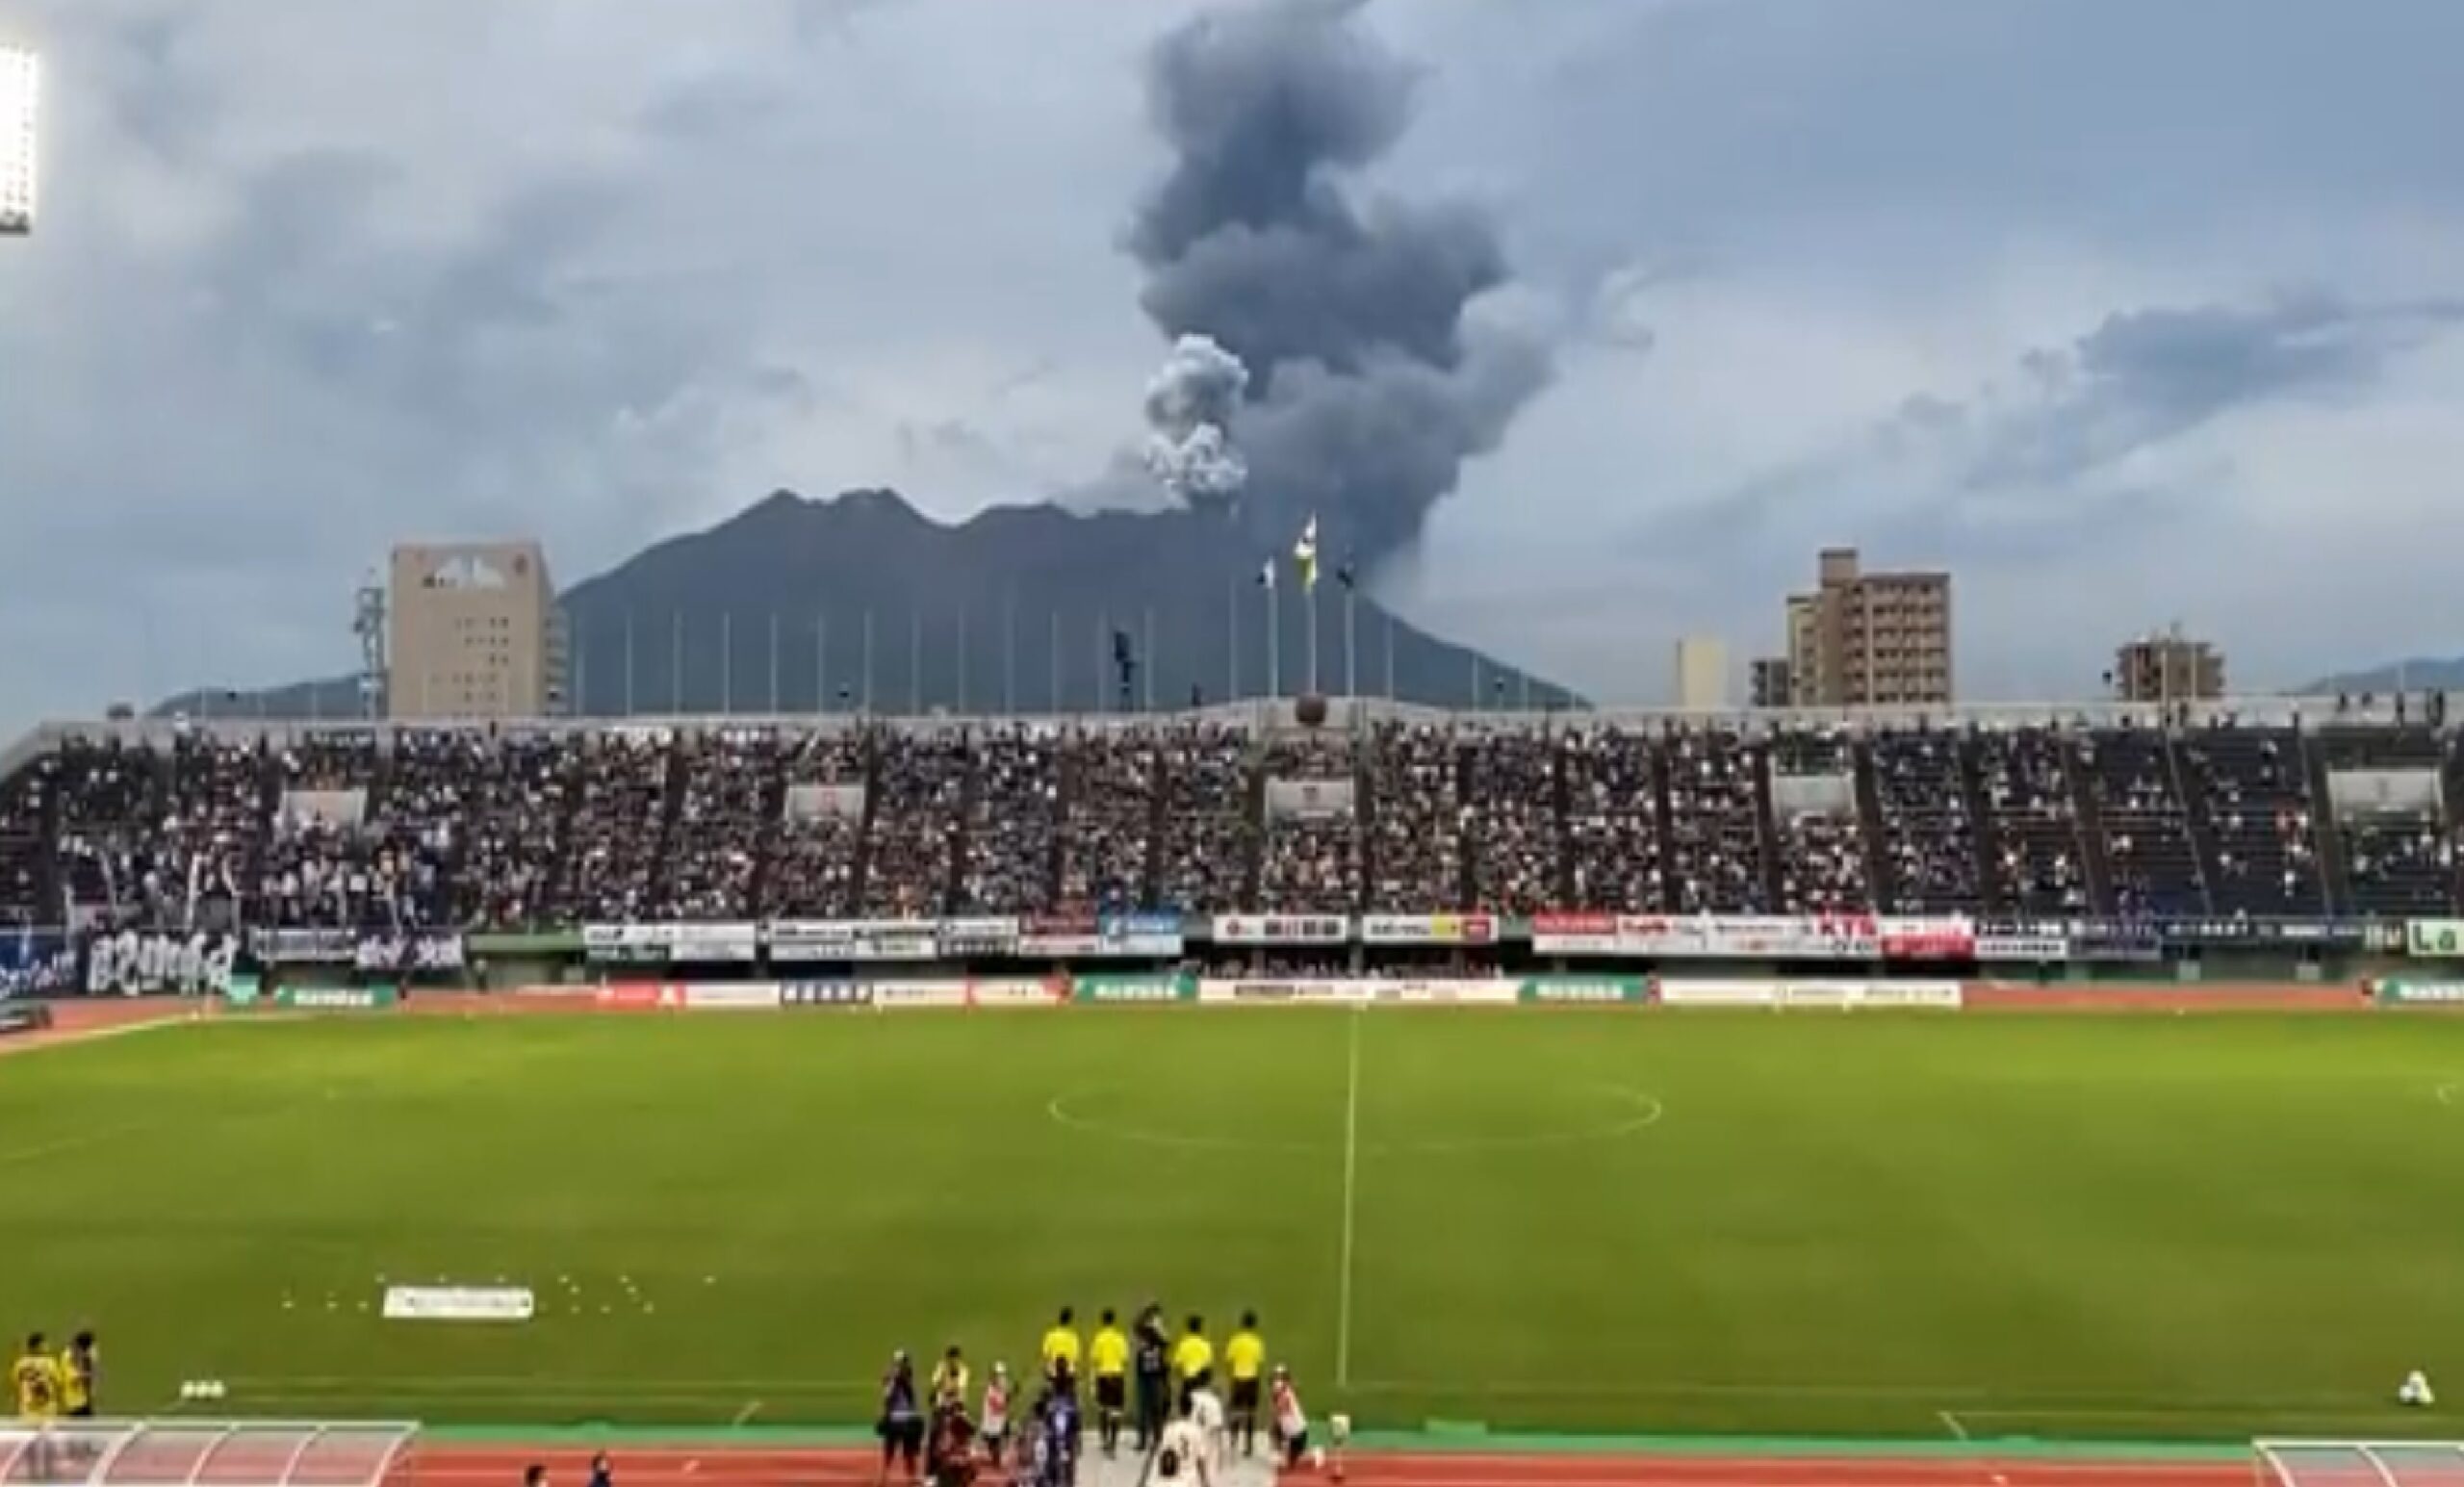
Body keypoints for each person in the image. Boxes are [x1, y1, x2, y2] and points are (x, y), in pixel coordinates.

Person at [1087, 1309, 1130, 1457]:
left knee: (1103, 1410)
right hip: (1117, 1376)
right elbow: (1125, 1359)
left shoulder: (1099, 1338)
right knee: (1116, 1412)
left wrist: (1092, 1381)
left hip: (1103, 1376)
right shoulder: (1120, 1338)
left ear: (1102, 1321)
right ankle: (1113, 1443)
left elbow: (1094, 1360)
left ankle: (1104, 1440)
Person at [879, 1351, 926, 1486]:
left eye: (904, 1362)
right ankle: (884, 1476)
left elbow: (912, 1399)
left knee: (908, 1450)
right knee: (890, 1449)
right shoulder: (892, 1378)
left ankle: (911, 1476)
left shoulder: (906, 1377)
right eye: (901, 1362)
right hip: (896, 1418)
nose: (903, 1365)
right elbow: (887, 1397)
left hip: (906, 1418)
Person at [1223, 1313, 1266, 1457]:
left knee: (1236, 1410)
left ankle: (1233, 1442)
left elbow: (1229, 1359)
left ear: (1242, 1323)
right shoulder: (1256, 1342)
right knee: (1250, 1412)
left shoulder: (1235, 1341)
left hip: (1238, 1378)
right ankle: (1248, 1445)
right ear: (1254, 1325)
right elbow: (1259, 1361)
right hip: (1252, 1379)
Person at [1132, 1304, 1171, 1452]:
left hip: (1154, 1376)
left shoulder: (1157, 1337)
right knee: (1147, 1409)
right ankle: (1146, 1439)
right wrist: (1147, 1316)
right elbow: (1136, 1325)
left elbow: (1166, 1341)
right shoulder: (1145, 1332)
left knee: (1154, 1408)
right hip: (1149, 1376)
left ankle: (1154, 1439)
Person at [1270, 1367, 1322, 1474]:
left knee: (1291, 1463)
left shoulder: (1286, 1396)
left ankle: (1316, 1452)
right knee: (1274, 1431)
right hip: (1289, 1432)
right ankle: (1281, 1455)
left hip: (1298, 1434)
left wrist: (1275, 1411)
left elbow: (1281, 1408)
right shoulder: (1284, 1392)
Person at [1157, 1396, 1214, 1487]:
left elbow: (1164, 1456)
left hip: (1173, 1479)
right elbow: (1200, 1460)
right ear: (1191, 1410)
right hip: (1191, 1480)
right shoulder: (1197, 1431)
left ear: (1178, 1409)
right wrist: (1205, 1482)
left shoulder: (1170, 1429)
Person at [13, 1333, 61, 1421]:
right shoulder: (50, 1363)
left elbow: (16, 1382)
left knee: (28, 1432)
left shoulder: (21, 1363)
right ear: (38, 1346)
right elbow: (57, 1382)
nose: (47, 1346)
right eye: (44, 1344)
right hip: (47, 1407)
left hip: (28, 1407)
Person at [1170, 1316, 1213, 1414]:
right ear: (1200, 1328)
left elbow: (1177, 1364)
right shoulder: (1205, 1344)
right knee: (1201, 1409)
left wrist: (1180, 1378)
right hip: (1201, 1381)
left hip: (1188, 1380)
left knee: (1186, 1409)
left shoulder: (1184, 1344)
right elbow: (1208, 1365)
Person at [979, 1364, 1012, 1470]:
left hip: (998, 1420)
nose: (1000, 1377)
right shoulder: (990, 1391)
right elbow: (997, 1406)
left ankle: (997, 1457)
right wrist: (1008, 1399)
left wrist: (1009, 1395)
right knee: (991, 1441)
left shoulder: (1003, 1384)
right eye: (997, 1375)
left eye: (1001, 1374)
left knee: (998, 1440)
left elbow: (1004, 1402)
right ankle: (995, 1457)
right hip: (991, 1421)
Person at [1040, 1309, 1082, 1386]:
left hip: (1053, 1371)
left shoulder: (1051, 1335)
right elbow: (1075, 1356)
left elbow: (1045, 1353)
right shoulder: (1073, 1336)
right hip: (1068, 1371)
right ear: (1069, 1321)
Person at [60, 1331, 96, 1420]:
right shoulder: (68, 1356)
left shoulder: (88, 1353)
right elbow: (72, 1377)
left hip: (85, 1399)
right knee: (75, 1428)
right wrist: (88, 1374)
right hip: (73, 1401)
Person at [931, 1346, 971, 1414]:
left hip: (957, 1403)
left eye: (955, 1359)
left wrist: (946, 1385)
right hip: (942, 1403)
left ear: (959, 1359)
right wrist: (944, 1375)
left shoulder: (963, 1370)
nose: (952, 1362)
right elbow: (935, 1384)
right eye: (950, 1359)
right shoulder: (941, 1367)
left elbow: (958, 1388)